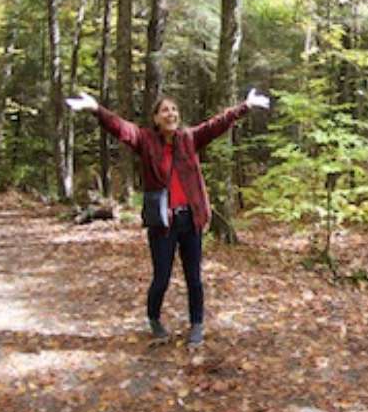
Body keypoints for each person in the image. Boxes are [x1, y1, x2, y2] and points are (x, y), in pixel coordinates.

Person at [65, 88, 270, 345]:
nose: (170, 114)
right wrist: (97, 109)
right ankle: (154, 318)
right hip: (163, 222)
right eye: (165, 110)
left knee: (194, 277)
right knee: (161, 277)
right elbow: (120, 127)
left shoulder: (190, 138)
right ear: (156, 118)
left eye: (174, 110)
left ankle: (196, 324)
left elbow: (217, 124)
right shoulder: (145, 140)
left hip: (190, 220)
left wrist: (245, 106)